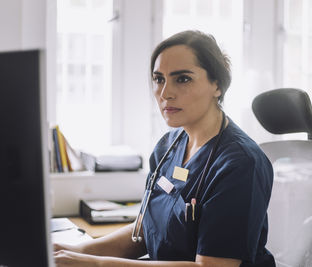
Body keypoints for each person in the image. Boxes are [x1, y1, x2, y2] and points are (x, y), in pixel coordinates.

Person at [54, 30, 275, 267]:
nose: (165, 93)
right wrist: (72, 251)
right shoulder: (168, 147)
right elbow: (144, 232)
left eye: (183, 79)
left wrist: (98, 265)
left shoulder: (240, 163)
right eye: (159, 79)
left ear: (217, 85)